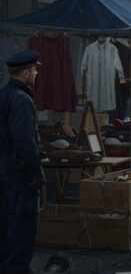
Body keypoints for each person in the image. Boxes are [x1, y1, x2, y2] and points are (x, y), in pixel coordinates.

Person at [0, 51, 45, 274]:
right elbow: (24, 141)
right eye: (35, 70)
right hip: (19, 171)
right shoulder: (21, 99)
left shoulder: (3, 95)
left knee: (5, 223)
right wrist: (37, 173)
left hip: (4, 168)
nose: (36, 74)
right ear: (26, 73)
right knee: (23, 225)